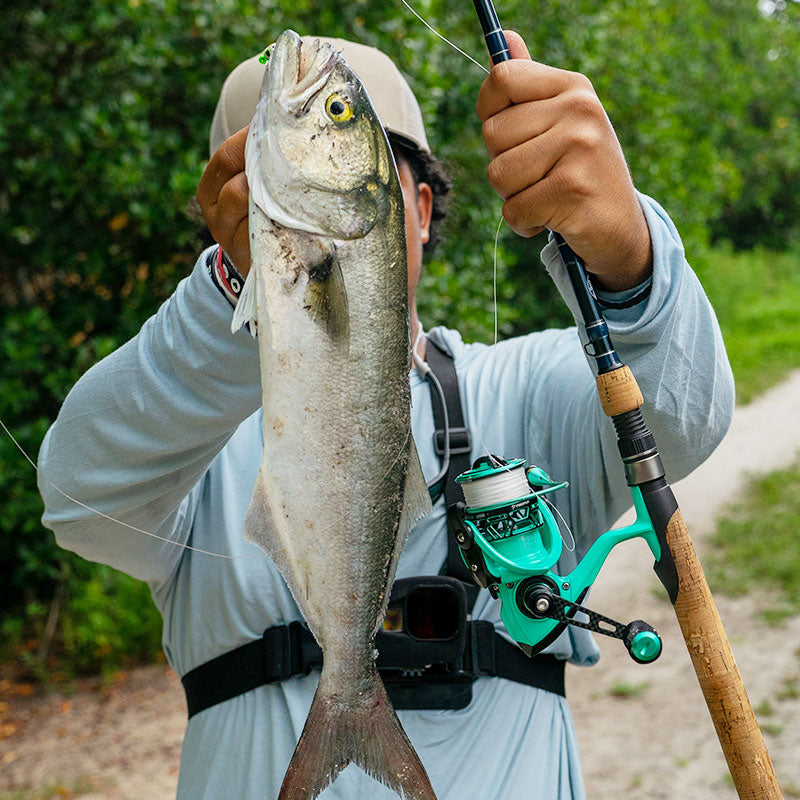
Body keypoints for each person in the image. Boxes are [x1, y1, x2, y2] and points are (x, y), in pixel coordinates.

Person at [38, 30, 734, 800]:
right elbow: (80, 503)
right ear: (229, 210)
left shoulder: (526, 388)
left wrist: (630, 254)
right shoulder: (185, 430)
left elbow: (684, 416)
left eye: (337, 119)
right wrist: (240, 292)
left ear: (423, 206)